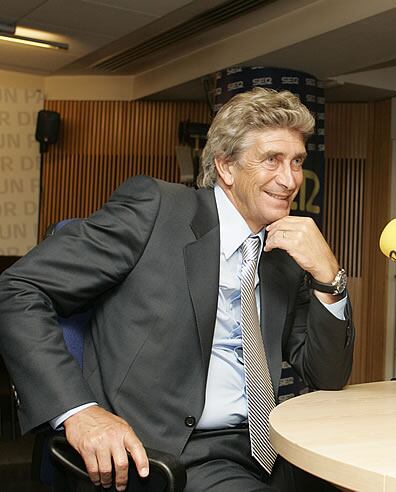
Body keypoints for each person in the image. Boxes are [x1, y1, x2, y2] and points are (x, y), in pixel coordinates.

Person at [0, 87, 354, 491]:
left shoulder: (284, 255)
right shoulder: (157, 210)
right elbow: (18, 288)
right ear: (226, 166)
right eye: (271, 159)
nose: (290, 179)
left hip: (269, 449)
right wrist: (78, 412)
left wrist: (329, 275)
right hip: (168, 455)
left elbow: (325, 375)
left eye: (296, 162)